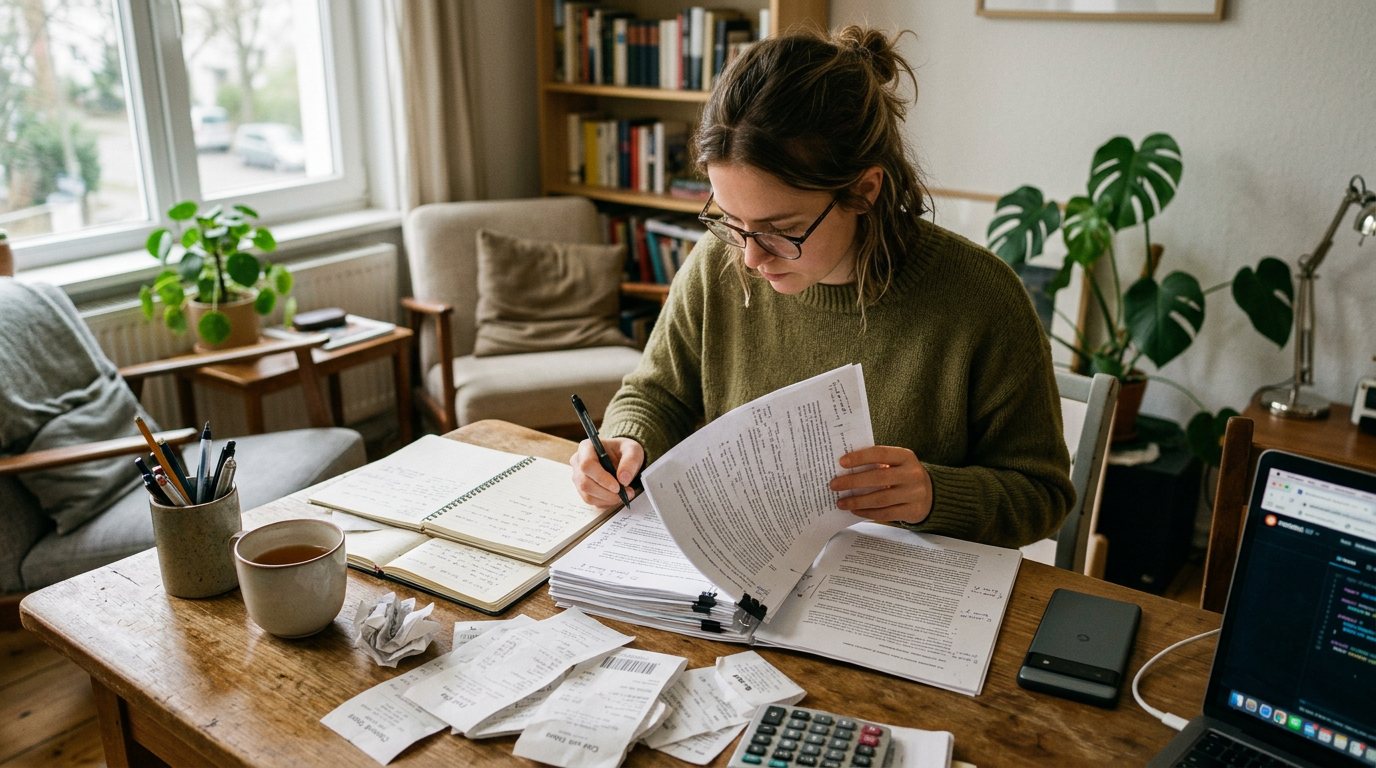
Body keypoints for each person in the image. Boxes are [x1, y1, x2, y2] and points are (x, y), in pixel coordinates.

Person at [570, 25, 1074, 548]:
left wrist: (932, 494)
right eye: (731, 220)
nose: (750, 257)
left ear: (864, 191)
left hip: (907, 584)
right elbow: (656, 394)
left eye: (782, 229)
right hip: (753, 562)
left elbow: (1042, 496)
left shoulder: (982, 300)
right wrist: (625, 443)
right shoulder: (716, 264)